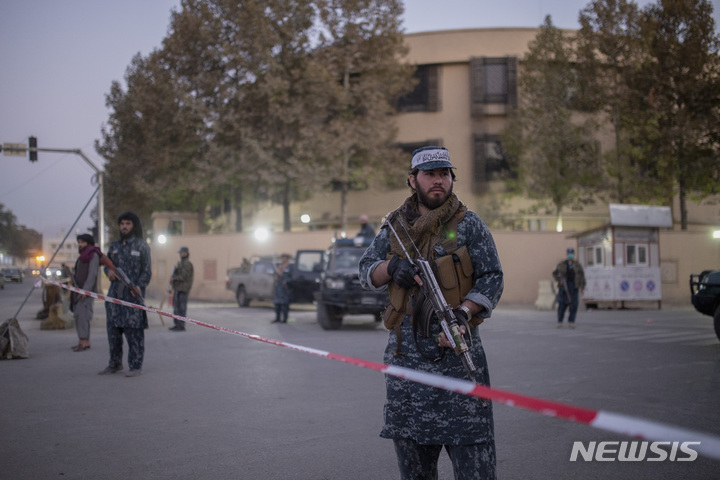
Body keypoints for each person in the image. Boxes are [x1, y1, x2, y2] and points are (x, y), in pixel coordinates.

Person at [359, 146, 504, 479]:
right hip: (407, 367)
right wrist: (390, 266)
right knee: (415, 470)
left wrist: (465, 312)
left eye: (444, 174)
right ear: (413, 180)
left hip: (458, 360)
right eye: (430, 174)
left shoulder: (469, 225)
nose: (438, 181)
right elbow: (366, 271)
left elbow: (492, 277)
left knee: (475, 467)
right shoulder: (394, 227)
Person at [100, 211, 152, 377]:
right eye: (122, 223)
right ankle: (114, 363)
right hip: (114, 296)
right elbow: (106, 264)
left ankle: (135, 365)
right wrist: (108, 271)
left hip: (132, 297)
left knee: (134, 333)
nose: (124, 226)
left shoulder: (141, 246)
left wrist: (138, 285)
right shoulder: (114, 246)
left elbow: (147, 271)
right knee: (113, 332)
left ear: (134, 226)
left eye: (128, 223)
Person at [67, 233, 102, 352]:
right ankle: (82, 341)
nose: (80, 245)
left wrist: (85, 290)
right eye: (79, 242)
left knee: (83, 316)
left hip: (85, 293)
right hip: (78, 291)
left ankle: (85, 342)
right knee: (78, 316)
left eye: (82, 242)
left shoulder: (93, 255)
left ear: (88, 243)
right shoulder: (82, 256)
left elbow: (92, 274)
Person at [552, 247, 586, 329]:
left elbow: (581, 276)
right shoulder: (562, 265)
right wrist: (559, 280)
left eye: (572, 253)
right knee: (562, 305)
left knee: (574, 305)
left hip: (574, 286)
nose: (570, 255)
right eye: (569, 253)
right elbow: (555, 273)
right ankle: (560, 321)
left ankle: (571, 322)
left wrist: (582, 286)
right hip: (564, 287)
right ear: (567, 254)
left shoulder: (577, 265)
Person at [169, 246, 194, 332]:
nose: (180, 254)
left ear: (185, 253)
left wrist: (174, 278)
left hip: (183, 289)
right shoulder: (180, 263)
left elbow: (183, 276)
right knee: (176, 307)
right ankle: (176, 324)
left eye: (181, 253)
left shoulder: (187, 264)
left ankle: (181, 325)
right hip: (178, 288)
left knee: (181, 308)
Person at [272, 253, 292, 324]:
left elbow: (292, 277)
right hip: (278, 287)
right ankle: (277, 318)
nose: (283, 259)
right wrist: (276, 278)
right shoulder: (280, 266)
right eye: (282, 257)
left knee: (284, 304)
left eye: (284, 258)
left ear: (287, 258)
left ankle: (285, 319)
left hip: (285, 288)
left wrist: (286, 281)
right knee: (277, 304)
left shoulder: (290, 267)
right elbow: (276, 275)